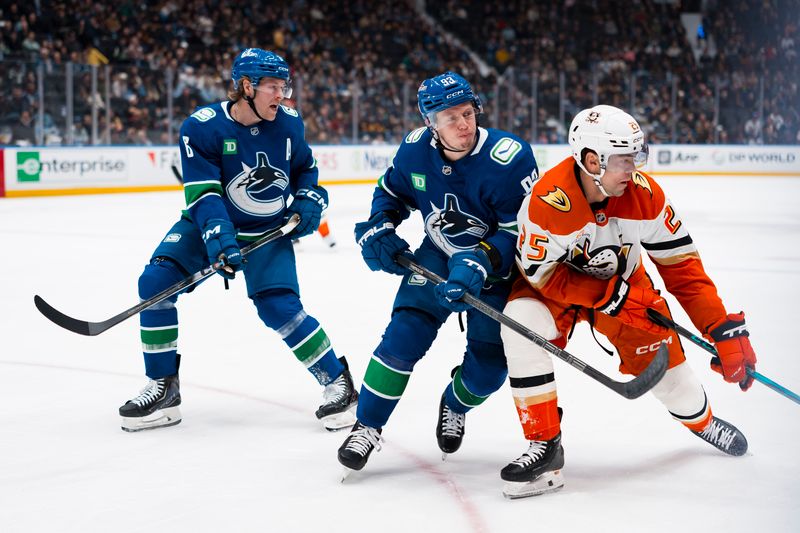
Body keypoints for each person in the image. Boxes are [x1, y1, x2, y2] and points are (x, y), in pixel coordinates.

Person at [500, 105, 756, 498]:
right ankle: (545, 446)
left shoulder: (645, 195)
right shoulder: (548, 202)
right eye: (624, 159)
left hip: (626, 289)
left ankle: (702, 421)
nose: (633, 168)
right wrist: (605, 297)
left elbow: (682, 266)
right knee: (519, 322)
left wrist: (719, 325)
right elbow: (542, 275)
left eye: (637, 156)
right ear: (591, 160)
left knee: (677, 385)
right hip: (555, 290)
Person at [118, 48, 358, 432]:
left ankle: (339, 384)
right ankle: (163, 387)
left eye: (284, 86)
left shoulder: (290, 123)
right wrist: (219, 238)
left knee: (279, 308)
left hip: (268, 229)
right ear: (246, 87)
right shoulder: (202, 126)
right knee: (155, 284)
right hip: (211, 223)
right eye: (273, 87)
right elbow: (204, 195)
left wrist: (311, 199)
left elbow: (306, 172)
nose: (282, 95)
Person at [337, 71, 539, 473]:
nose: (464, 125)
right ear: (430, 122)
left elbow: (523, 231)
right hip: (437, 255)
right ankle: (367, 426)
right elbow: (392, 193)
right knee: (402, 337)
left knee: (488, 370)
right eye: (451, 118)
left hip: (496, 272)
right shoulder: (414, 150)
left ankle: (455, 402)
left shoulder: (509, 158)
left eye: (468, 113)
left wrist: (481, 259)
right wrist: (380, 224)